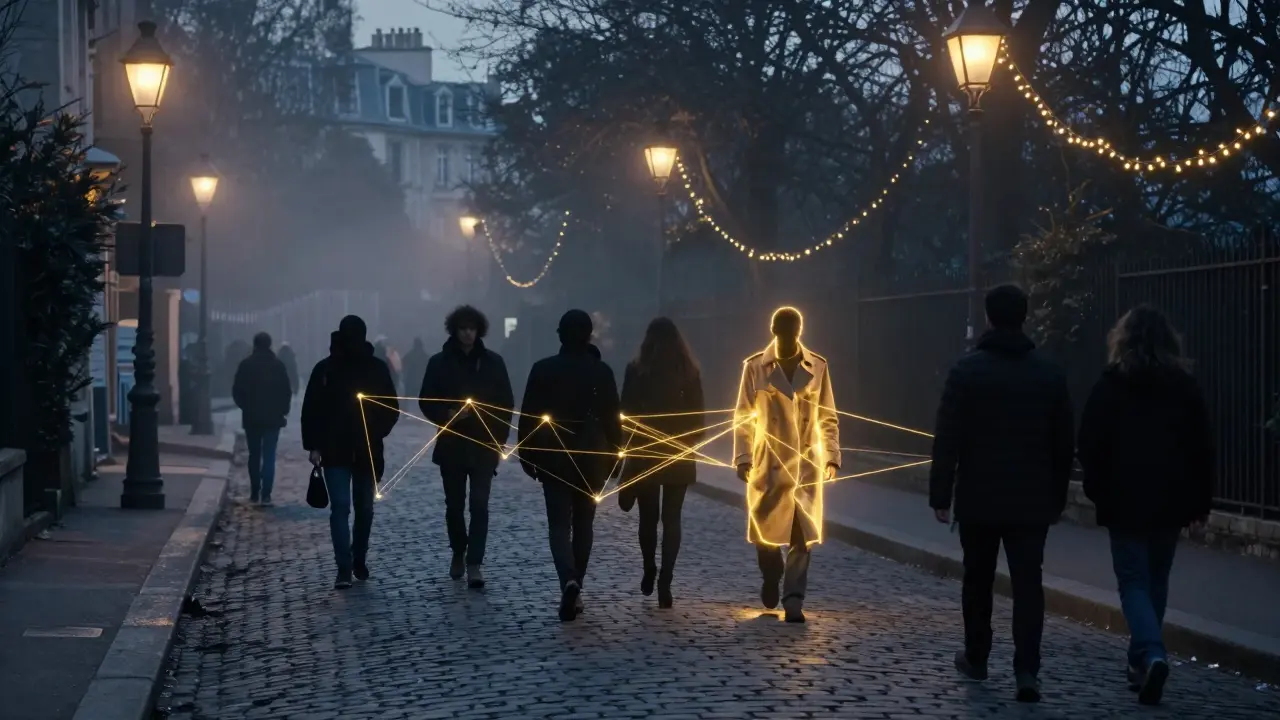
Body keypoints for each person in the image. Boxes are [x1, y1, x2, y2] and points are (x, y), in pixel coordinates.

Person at [928, 284, 1074, 703]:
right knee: (1030, 585)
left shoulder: (967, 371)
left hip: (979, 495)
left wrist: (941, 493)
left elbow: (948, 436)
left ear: (989, 318)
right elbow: (1064, 443)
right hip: (1031, 498)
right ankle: (1027, 668)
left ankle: (977, 655)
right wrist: (1057, 496)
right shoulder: (1049, 374)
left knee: (978, 579)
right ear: (1024, 318)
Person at [1078, 305, 1214, 706]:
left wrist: (1097, 487)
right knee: (1156, 577)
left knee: (1133, 580)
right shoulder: (1184, 386)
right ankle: (1141, 661)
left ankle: (1151, 653)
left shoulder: (1111, 384)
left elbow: (1090, 443)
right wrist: (1200, 500)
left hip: (1124, 497)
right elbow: (1202, 448)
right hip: (1171, 498)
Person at [733, 307, 839, 624]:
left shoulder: (817, 367)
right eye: (782, 333)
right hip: (769, 462)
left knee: (801, 535)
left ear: (799, 332)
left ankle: (794, 598)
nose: (787, 339)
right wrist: (744, 457)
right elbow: (742, 417)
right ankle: (770, 573)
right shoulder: (755, 367)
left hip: (806, 464)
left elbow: (827, 415)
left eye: (792, 333)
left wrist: (831, 454)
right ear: (773, 332)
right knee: (766, 535)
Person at [517, 309, 622, 621]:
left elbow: (529, 417)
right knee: (585, 524)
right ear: (589, 335)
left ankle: (568, 579)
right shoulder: (602, 372)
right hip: (592, 458)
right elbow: (612, 419)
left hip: (554, 456)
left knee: (559, 525)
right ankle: (577, 584)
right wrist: (617, 456)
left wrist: (528, 454)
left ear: (560, 334)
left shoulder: (543, 369)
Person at [418, 306, 514, 589]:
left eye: (472, 328)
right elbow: (426, 399)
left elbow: (505, 403)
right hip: (452, 444)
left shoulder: (493, 362)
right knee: (455, 506)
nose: (468, 333)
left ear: (479, 330)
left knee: (480, 505)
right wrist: (447, 415)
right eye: (463, 328)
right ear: (455, 330)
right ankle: (459, 551)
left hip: (485, 445)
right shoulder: (439, 362)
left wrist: (499, 439)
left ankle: (474, 562)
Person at [301, 315, 400, 590]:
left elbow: (390, 408)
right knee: (344, 508)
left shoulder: (372, 368)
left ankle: (356, 558)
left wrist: (374, 433)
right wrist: (314, 445)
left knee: (362, 509)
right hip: (337, 450)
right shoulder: (328, 369)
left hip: (364, 449)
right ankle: (344, 566)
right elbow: (312, 409)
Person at [617, 317, 705, 608]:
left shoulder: (637, 370)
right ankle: (666, 579)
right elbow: (699, 422)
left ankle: (648, 568)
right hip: (678, 453)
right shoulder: (689, 373)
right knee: (672, 519)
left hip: (646, 453)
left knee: (648, 518)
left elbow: (625, 413)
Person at [232, 332, 293, 505]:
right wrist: (283, 411)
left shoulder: (246, 365)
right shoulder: (278, 365)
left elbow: (237, 390)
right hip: (273, 418)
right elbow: (286, 391)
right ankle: (266, 494)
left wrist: (245, 406)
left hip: (252, 417)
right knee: (269, 456)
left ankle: (254, 492)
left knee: (254, 455)